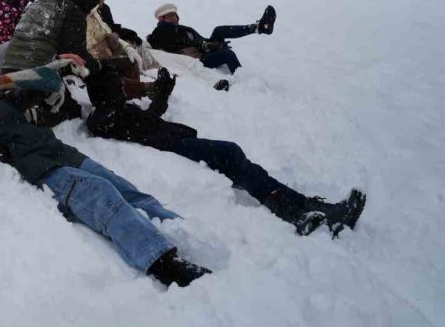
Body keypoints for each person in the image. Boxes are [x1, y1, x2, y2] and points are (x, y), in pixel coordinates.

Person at [0, 61, 211, 288]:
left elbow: (48, 82)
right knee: (99, 193)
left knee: (126, 189)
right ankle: (161, 261)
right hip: (32, 164)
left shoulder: (2, 95)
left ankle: (188, 235)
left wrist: (2, 81)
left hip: (59, 150)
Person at [84, 70, 366, 237]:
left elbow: (150, 116)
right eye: (117, 86)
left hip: (176, 141)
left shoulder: (119, 111)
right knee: (231, 154)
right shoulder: (104, 116)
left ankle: (307, 206)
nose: (122, 89)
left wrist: (163, 93)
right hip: (173, 148)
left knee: (242, 163)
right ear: (107, 90)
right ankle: (293, 213)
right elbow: (105, 123)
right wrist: (111, 94)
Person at [2, 0, 176, 127]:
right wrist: (97, 67)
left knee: (56, 94)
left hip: (9, 67)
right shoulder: (73, 10)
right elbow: (76, 51)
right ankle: (37, 115)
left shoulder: (42, 2)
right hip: (37, 72)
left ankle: (30, 104)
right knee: (72, 110)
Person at [147, 3, 276, 76]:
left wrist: (211, 45)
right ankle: (242, 79)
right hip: (197, 61)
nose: (174, 19)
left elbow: (200, 41)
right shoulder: (159, 33)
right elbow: (165, 47)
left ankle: (259, 27)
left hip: (204, 52)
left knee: (218, 30)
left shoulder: (185, 29)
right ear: (161, 19)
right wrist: (208, 47)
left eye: (175, 15)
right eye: (169, 17)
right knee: (227, 54)